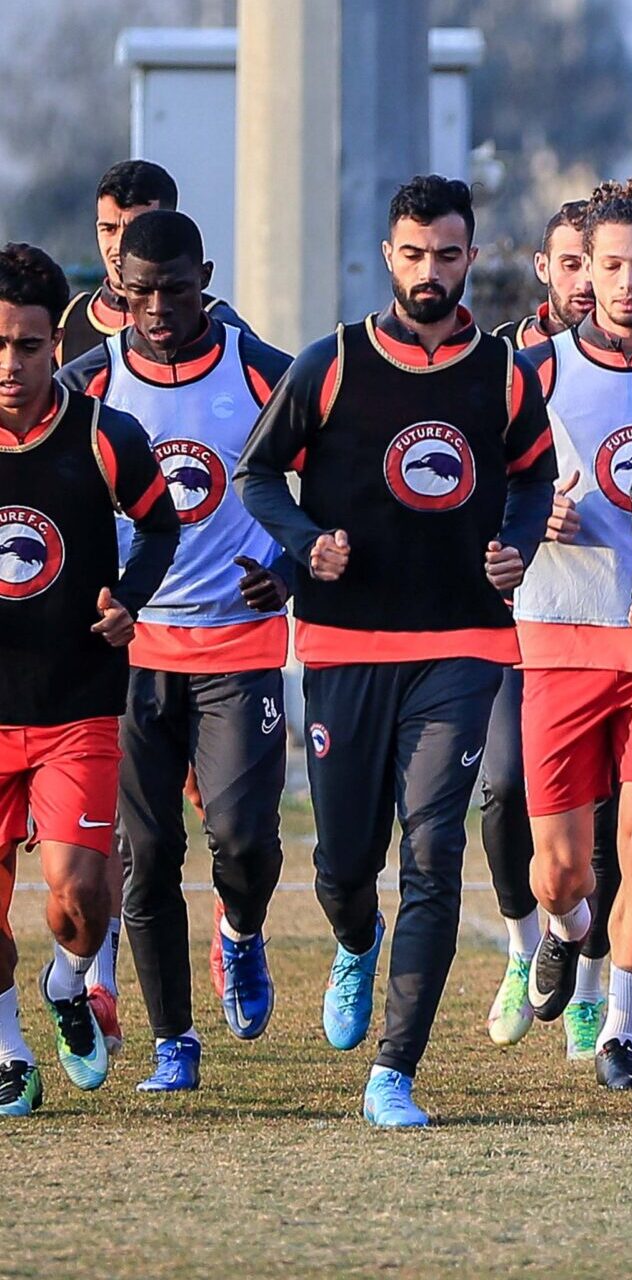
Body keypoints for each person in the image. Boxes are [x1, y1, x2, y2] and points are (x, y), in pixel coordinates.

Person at [235, 175, 555, 1127]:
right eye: (414, 256)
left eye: (448, 256)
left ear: (469, 256)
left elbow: (535, 479)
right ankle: (352, 939)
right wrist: (304, 543)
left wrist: (519, 545)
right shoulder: (330, 363)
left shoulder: (502, 372)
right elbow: (256, 473)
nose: (431, 273)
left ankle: (395, 1070)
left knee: (432, 851)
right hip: (344, 645)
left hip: (462, 645)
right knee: (342, 863)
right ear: (389, 256)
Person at [57, 211, 293, 1093]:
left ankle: (241, 935)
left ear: (207, 277)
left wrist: (288, 566)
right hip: (132, 655)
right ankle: (173, 1045)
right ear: (119, 290)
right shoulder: (88, 386)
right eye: (140, 292)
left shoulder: (262, 370)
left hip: (239, 644)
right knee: (146, 856)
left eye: (177, 290)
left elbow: (326, 479)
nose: (159, 309)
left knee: (243, 839)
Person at [511, 175, 632, 1091]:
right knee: (561, 872)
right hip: (554, 633)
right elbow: (480, 479)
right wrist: (523, 511)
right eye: (604, 265)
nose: (623, 283)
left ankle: (620, 1032)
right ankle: (563, 933)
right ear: (578, 268)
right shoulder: (536, 371)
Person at [0, 242, 179, 1116]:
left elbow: (160, 525)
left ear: (53, 344)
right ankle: (8, 1052)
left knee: (77, 899)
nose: (11, 364)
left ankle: (70, 985)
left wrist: (129, 600)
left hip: (77, 706)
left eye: (28, 347)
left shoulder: (105, 434)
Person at [479, 196, 611, 1050]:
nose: (584, 282)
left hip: (620, 629)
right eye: (569, 265)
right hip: (522, 627)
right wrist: (524, 519)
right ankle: (531, 947)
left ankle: (595, 980)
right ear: (547, 269)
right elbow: (461, 477)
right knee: (500, 795)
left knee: (615, 821)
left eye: (591, 264)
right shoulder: (511, 367)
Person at [60, 160, 249, 365]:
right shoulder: (68, 321)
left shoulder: (218, 325)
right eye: (109, 229)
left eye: (136, 231)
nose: (119, 247)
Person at [493, 201, 593, 350]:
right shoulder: (502, 350)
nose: (584, 284)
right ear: (542, 267)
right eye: (570, 266)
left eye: (595, 267)